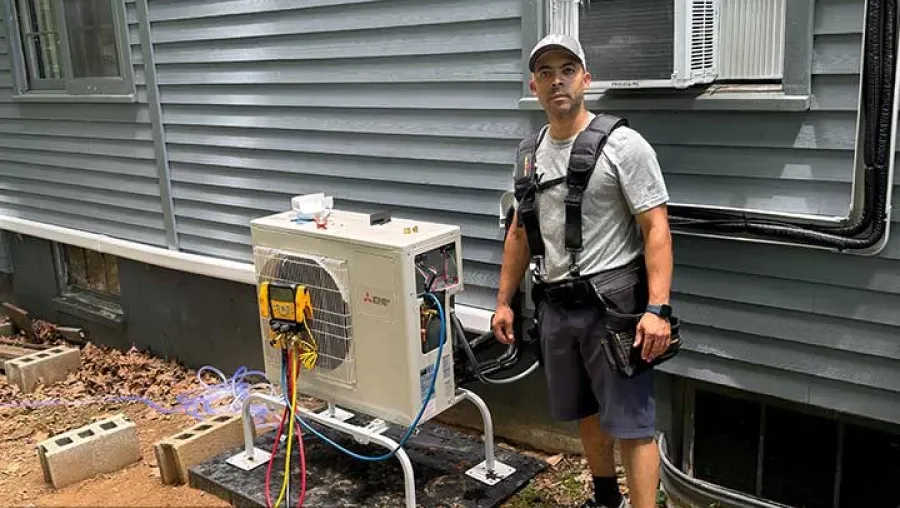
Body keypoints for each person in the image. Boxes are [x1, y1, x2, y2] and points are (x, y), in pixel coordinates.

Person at [492, 33, 675, 508]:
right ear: (534, 86)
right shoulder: (529, 153)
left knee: (634, 423)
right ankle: (605, 497)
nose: (558, 81)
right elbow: (518, 232)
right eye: (546, 73)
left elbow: (656, 228)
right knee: (586, 411)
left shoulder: (624, 146)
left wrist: (656, 309)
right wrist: (503, 302)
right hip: (555, 306)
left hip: (614, 309)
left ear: (586, 80)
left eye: (568, 70)